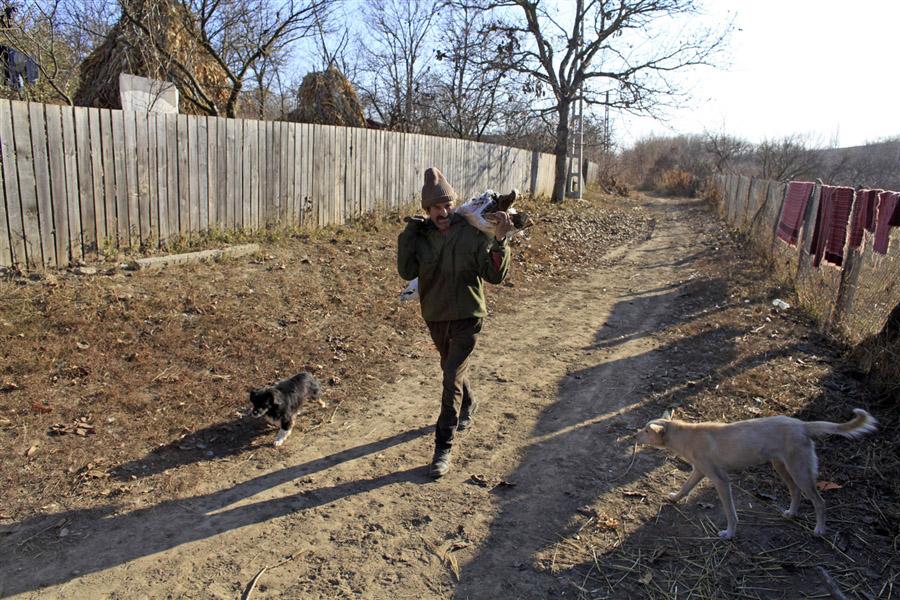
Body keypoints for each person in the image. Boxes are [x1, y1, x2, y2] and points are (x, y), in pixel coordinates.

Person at [397, 166, 513, 478]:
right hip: (435, 317)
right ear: (427, 210)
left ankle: (442, 448)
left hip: (468, 317)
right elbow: (406, 271)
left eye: (448, 205)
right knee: (451, 369)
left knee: (450, 378)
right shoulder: (421, 238)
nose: (444, 211)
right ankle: (470, 402)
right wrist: (409, 233)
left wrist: (501, 240)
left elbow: (494, 276)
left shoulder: (471, 232)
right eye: (437, 207)